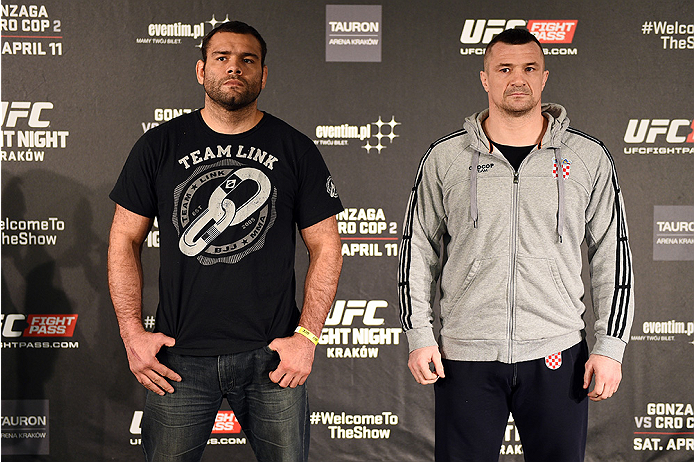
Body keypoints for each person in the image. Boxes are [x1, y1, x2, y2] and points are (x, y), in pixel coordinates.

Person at [107, 21, 343, 462]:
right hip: (178, 358)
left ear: (263, 75)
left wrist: (307, 337)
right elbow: (124, 238)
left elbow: (327, 245)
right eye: (222, 58)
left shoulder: (295, 149)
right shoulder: (159, 145)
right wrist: (131, 333)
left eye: (247, 60)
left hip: (272, 359)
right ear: (201, 71)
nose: (234, 67)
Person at [398, 28, 634, 462]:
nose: (517, 78)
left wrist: (610, 346)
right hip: (466, 354)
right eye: (504, 68)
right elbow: (418, 249)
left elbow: (612, 256)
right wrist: (418, 333)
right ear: (485, 79)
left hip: (556, 350)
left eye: (529, 68)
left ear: (544, 78)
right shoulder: (446, 158)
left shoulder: (587, 157)